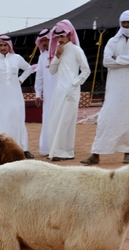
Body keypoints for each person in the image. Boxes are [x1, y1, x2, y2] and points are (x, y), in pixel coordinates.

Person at [81, 10, 129, 165]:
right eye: (123, 22)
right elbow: (106, 62)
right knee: (106, 119)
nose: (126, 25)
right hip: (115, 88)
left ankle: (127, 154)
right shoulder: (112, 41)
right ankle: (96, 154)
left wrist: (117, 59)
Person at [44, 20, 91, 161]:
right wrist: (57, 56)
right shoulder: (57, 51)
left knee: (66, 121)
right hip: (59, 91)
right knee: (54, 120)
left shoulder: (77, 50)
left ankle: (65, 152)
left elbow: (86, 70)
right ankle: (55, 150)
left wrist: (74, 83)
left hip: (71, 91)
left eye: (62, 36)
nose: (60, 39)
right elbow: (52, 71)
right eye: (57, 37)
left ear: (69, 35)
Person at [0, 35, 35, 158]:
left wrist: (20, 79)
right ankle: (4, 150)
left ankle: (23, 149)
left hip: (15, 96)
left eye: (5, 45)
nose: (3, 48)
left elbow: (29, 69)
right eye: (0, 45)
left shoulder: (17, 58)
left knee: (18, 121)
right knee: (2, 122)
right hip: (0, 98)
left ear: (9, 46)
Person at [33, 28, 55, 157]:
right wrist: (37, 93)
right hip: (47, 95)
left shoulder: (60, 53)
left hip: (60, 93)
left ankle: (59, 148)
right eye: (43, 41)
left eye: (47, 40)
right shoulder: (42, 56)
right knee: (47, 119)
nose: (45, 43)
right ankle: (47, 148)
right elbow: (39, 76)